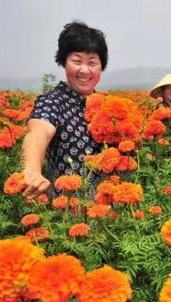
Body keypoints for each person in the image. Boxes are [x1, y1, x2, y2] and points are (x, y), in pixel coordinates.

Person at [21, 21, 108, 200]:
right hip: (70, 213)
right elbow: (38, 133)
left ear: (101, 66)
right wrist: (32, 170)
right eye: (76, 61)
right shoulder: (53, 102)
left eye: (92, 62)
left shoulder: (106, 105)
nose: (84, 70)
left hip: (113, 217)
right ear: (64, 62)